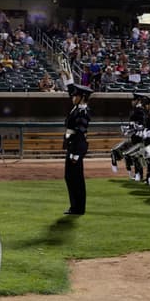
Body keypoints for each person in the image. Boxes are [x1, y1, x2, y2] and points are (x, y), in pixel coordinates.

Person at [64, 84, 93, 215]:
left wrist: (76, 154)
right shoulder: (76, 109)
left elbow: (80, 134)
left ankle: (79, 207)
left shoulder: (83, 112)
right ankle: (75, 206)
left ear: (82, 97)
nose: (73, 97)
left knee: (76, 178)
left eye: (75, 95)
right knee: (70, 177)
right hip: (72, 146)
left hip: (76, 148)